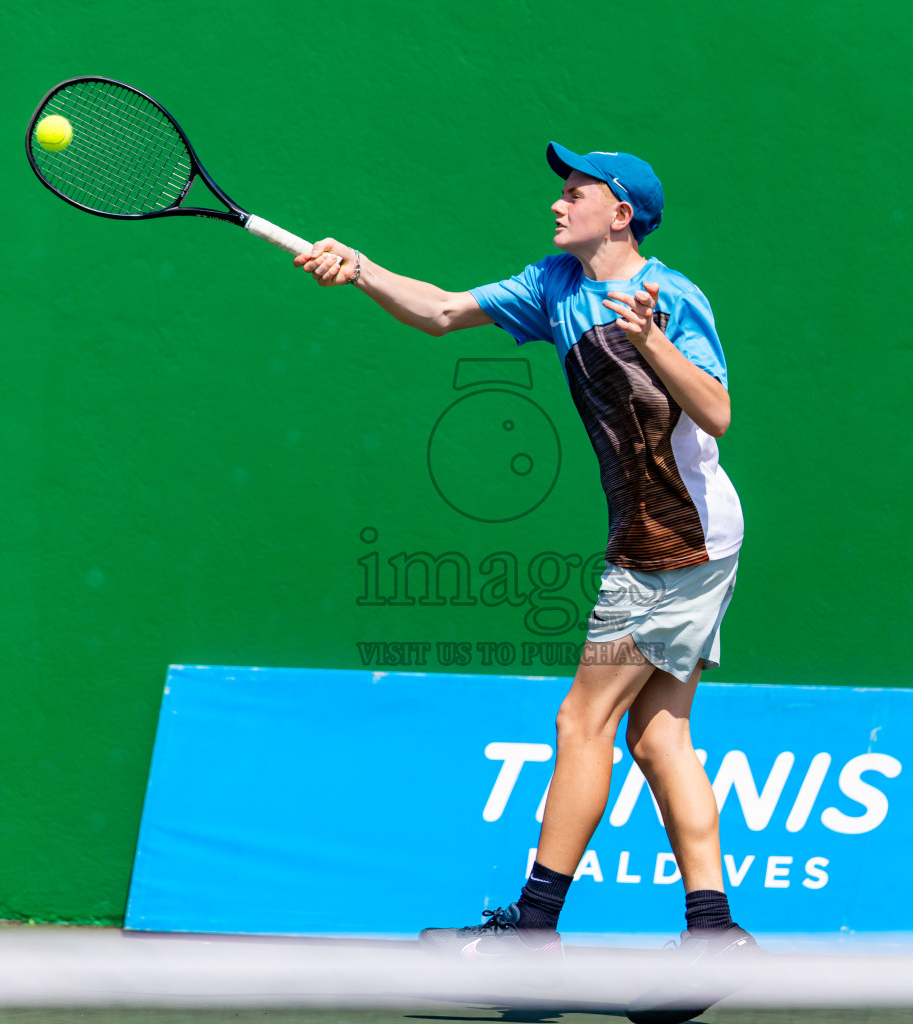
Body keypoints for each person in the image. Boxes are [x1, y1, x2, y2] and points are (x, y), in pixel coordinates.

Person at [293, 143, 755, 1007]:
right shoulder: (554, 286)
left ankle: (534, 935)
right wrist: (358, 268)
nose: (558, 202)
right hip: (674, 536)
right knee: (657, 734)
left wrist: (652, 342)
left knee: (583, 719)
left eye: (575, 190)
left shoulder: (672, 296)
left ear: (621, 211)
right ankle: (716, 935)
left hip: (673, 539)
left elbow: (719, 412)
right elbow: (435, 311)